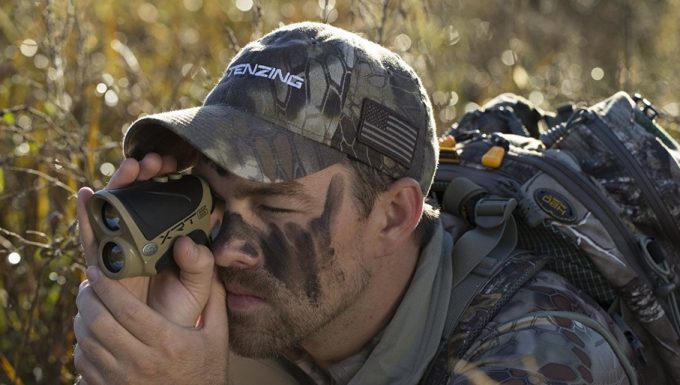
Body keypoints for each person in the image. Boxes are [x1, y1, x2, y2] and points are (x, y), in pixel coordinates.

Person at [73, 22, 637, 385]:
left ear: (392, 215)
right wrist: (138, 301)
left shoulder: (545, 354)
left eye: (275, 208)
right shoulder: (248, 314)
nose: (225, 251)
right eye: (214, 200)